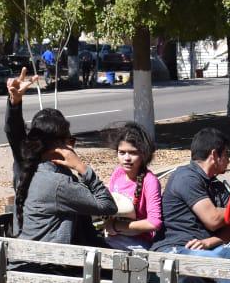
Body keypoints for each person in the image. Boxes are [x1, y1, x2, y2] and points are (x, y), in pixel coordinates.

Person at [154, 128, 230, 265]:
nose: (228, 160)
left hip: (209, 251)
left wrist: (208, 242)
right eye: (226, 153)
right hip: (177, 250)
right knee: (213, 261)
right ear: (214, 155)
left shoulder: (217, 186)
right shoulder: (186, 177)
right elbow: (213, 219)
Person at [12, 107, 116, 245]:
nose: (72, 148)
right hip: (51, 258)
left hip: (28, 255)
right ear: (59, 146)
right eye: (70, 141)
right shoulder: (58, 183)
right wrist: (82, 167)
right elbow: (108, 206)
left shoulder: (29, 173)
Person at [104, 122, 162, 250]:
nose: (127, 158)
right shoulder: (118, 173)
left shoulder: (150, 181)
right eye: (122, 152)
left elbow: (154, 222)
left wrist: (117, 226)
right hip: (113, 238)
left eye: (133, 153)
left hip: (138, 243)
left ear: (144, 154)